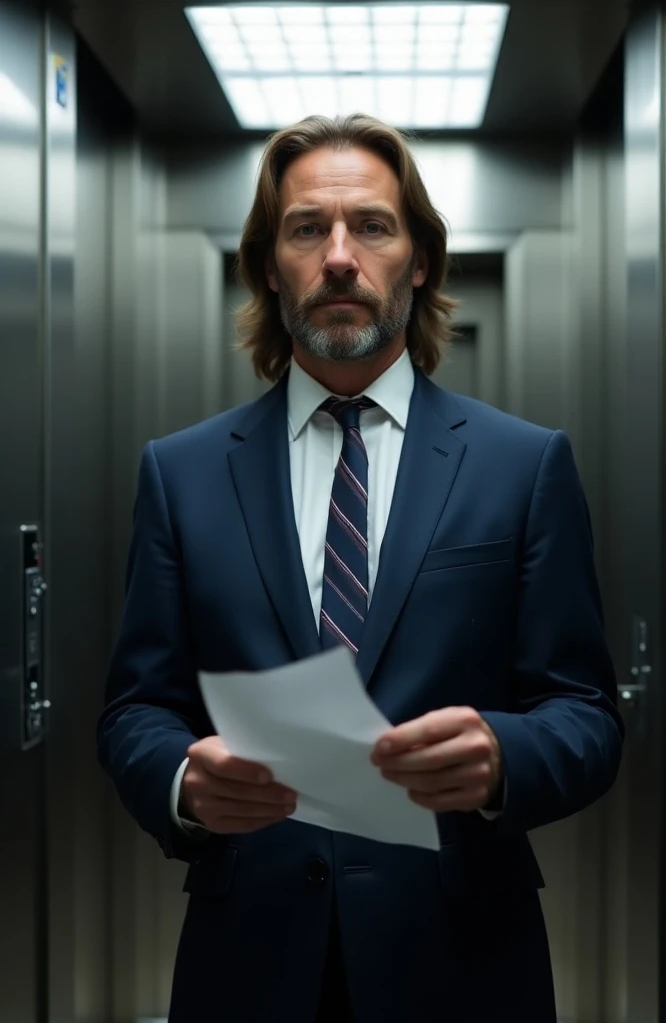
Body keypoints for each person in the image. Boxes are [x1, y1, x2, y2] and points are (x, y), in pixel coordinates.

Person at [97, 113, 624, 1023]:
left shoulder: (523, 464)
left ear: (419, 259)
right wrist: (184, 781)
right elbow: (135, 707)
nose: (340, 256)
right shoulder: (180, 473)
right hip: (248, 960)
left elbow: (586, 713)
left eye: (372, 226)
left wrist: (506, 757)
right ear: (271, 263)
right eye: (308, 228)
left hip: (464, 958)